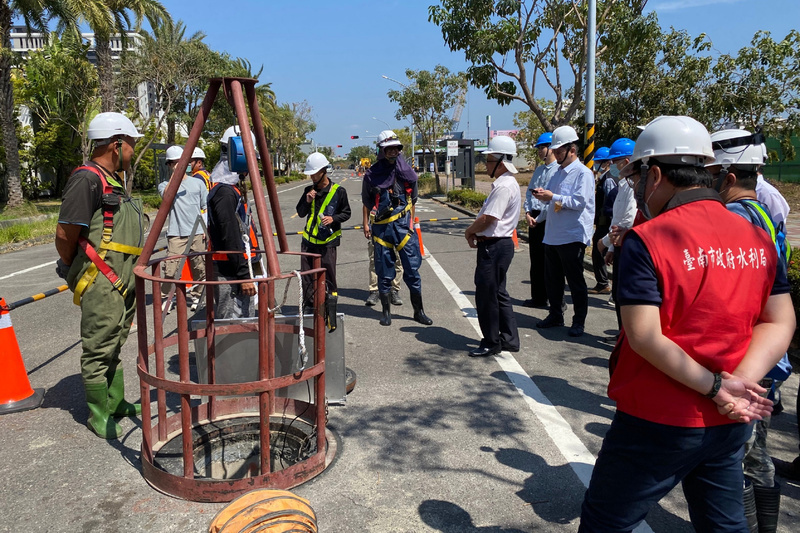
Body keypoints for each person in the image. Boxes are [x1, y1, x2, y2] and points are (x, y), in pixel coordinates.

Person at [579, 116, 795, 532]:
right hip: (731, 417)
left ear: (655, 174)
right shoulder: (757, 237)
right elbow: (781, 320)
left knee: (607, 521)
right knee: (723, 525)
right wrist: (737, 386)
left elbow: (643, 336)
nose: (638, 190)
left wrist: (717, 386)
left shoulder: (649, 239)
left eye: (638, 178)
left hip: (658, 417)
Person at [708, 127, 792, 532]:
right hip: (767, 358)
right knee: (757, 455)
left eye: (708, 175)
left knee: (740, 457)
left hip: (746, 360)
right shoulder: (765, 208)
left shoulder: (735, 219)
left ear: (726, 177)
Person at [54, 112, 145, 439]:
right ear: (116, 144)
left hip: (121, 279)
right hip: (100, 277)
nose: (133, 151)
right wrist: (71, 268)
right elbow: (65, 233)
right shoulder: (87, 179)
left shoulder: (112, 179)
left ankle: (115, 401)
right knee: (98, 346)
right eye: (131, 144)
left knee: (115, 341)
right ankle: (97, 414)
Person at [362, 130, 432, 326]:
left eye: (396, 148)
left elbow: (414, 199)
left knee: (412, 270)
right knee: (384, 271)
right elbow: (367, 201)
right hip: (382, 230)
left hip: (403, 228)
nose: (393, 152)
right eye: (388, 148)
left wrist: (410, 224)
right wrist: (366, 224)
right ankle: (386, 313)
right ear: (381, 151)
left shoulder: (408, 174)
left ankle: (419, 312)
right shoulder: (371, 176)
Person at [532, 125, 595, 337]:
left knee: (575, 282)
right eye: (555, 151)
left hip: (572, 235)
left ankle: (579, 321)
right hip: (553, 235)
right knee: (553, 280)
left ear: (572, 150)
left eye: (560, 151)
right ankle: (555, 314)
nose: (556, 154)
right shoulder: (557, 174)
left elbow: (579, 202)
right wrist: (538, 218)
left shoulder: (583, 173)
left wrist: (553, 197)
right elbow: (551, 204)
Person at [465, 135, 521, 357]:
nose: (486, 164)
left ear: (500, 161)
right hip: (500, 245)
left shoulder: (504, 187)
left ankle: (491, 341)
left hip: (494, 246)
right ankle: (509, 338)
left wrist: (469, 230)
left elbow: (489, 218)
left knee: (487, 295)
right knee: (498, 292)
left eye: (489, 160)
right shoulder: (506, 184)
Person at [207, 126, 261, 319]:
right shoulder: (225, 193)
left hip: (235, 270)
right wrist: (244, 276)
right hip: (231, 274)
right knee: (234, 327)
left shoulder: (229, 189)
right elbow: (230, 235)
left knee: (242, 324)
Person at [296, 152, 351, 317]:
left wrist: (333, 218)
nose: (312, 177)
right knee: (307, 277)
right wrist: (306, 201)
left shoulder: (338, 191)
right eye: (310, 174)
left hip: (328, 243)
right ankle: (308, 306)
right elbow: (300, 213)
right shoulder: (308, 191)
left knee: (329, 276)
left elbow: (346, 213)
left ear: (323, 171)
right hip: (308, 242)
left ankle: (330, 306)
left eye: (314, 173)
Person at [158, 145, 208, 312]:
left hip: (197, 232)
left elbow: (205, 207)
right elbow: (166, 197)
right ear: (169, 165)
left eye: (181, 162)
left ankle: (197, 296)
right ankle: (167, 297)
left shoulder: (198, 184)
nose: (178, 165)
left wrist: (205, 231)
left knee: (199, 268)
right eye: (173, 163)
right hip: (176, 233)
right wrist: (175, 176)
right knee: (171, 269)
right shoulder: (163, 185)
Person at [596, 137, 637, 330]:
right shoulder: (623, 184)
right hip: (619, 243)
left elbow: (627, 220)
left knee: (625, 296)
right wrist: (611, 247)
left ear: (626, 162)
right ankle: (622, 334)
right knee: (619, 295)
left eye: (614, 162)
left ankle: (626, 335)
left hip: (628, 245)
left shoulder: (632, 186)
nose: (611, 166)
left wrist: (604, 242)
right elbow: (616, 222)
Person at [522, 132, 558, 308]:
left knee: (549, 262)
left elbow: (552, 200)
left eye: (542, 147)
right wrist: (528, 213)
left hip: (549, 219)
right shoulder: (538, 170)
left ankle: (554, 299)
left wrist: (540, 218)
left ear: (551, 148)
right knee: (535, 260)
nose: (539, 151)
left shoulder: (558, 171)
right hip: (534, 217)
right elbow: (530, 193)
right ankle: (538, 297)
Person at [589, 147, 616, 295]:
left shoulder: (609, 179)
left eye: (598, 162)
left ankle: (603, 283)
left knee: (598, 251)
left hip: (606, 222)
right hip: (602, 221)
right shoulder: (604, 178)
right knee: (599, 251)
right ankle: (603, 282)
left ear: (606, 163)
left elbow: (609, 202)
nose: (596, 164)